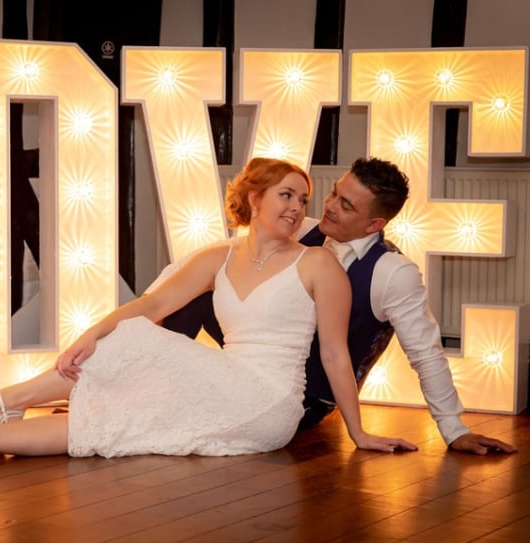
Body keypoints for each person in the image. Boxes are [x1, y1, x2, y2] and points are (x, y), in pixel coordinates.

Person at [0, 157, 417, 464]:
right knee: (112, 417)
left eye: (302, 199)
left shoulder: (318, 264)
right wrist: (89, 336)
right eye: (286, 195)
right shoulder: (219, 258)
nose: (297, 208)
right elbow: (152, 303)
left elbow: (334, 355)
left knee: (136, 346)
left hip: (267, 401)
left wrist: (359, 433)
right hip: (225, 381)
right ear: (255, 198)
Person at [156, 157, 516, 456]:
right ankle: (155, 383)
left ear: (375, 224)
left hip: (306, 396)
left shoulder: (392, 273)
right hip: (251, 363)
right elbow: (205, 266)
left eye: (346, 205)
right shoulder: (300, 230)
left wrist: (454, 429)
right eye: (334, 193)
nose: (328, 206)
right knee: (195, 293)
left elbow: (426, 353)